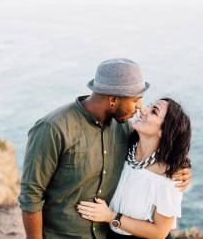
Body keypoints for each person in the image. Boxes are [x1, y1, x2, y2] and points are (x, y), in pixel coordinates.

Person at [19, 58, 192, 239]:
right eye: (136, 100)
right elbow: (31, 196)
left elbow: (162, 150)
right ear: (113, 100)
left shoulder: (125, 127)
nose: (140, 108)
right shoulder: (53, 128)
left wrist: (182, 168)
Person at [76, 98, 191, 239]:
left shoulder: (168, 177)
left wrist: (110, 216)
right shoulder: (124, 147)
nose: (142, 110)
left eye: (154, 111)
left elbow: (159, 232)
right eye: (149, 106)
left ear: (164, 131)